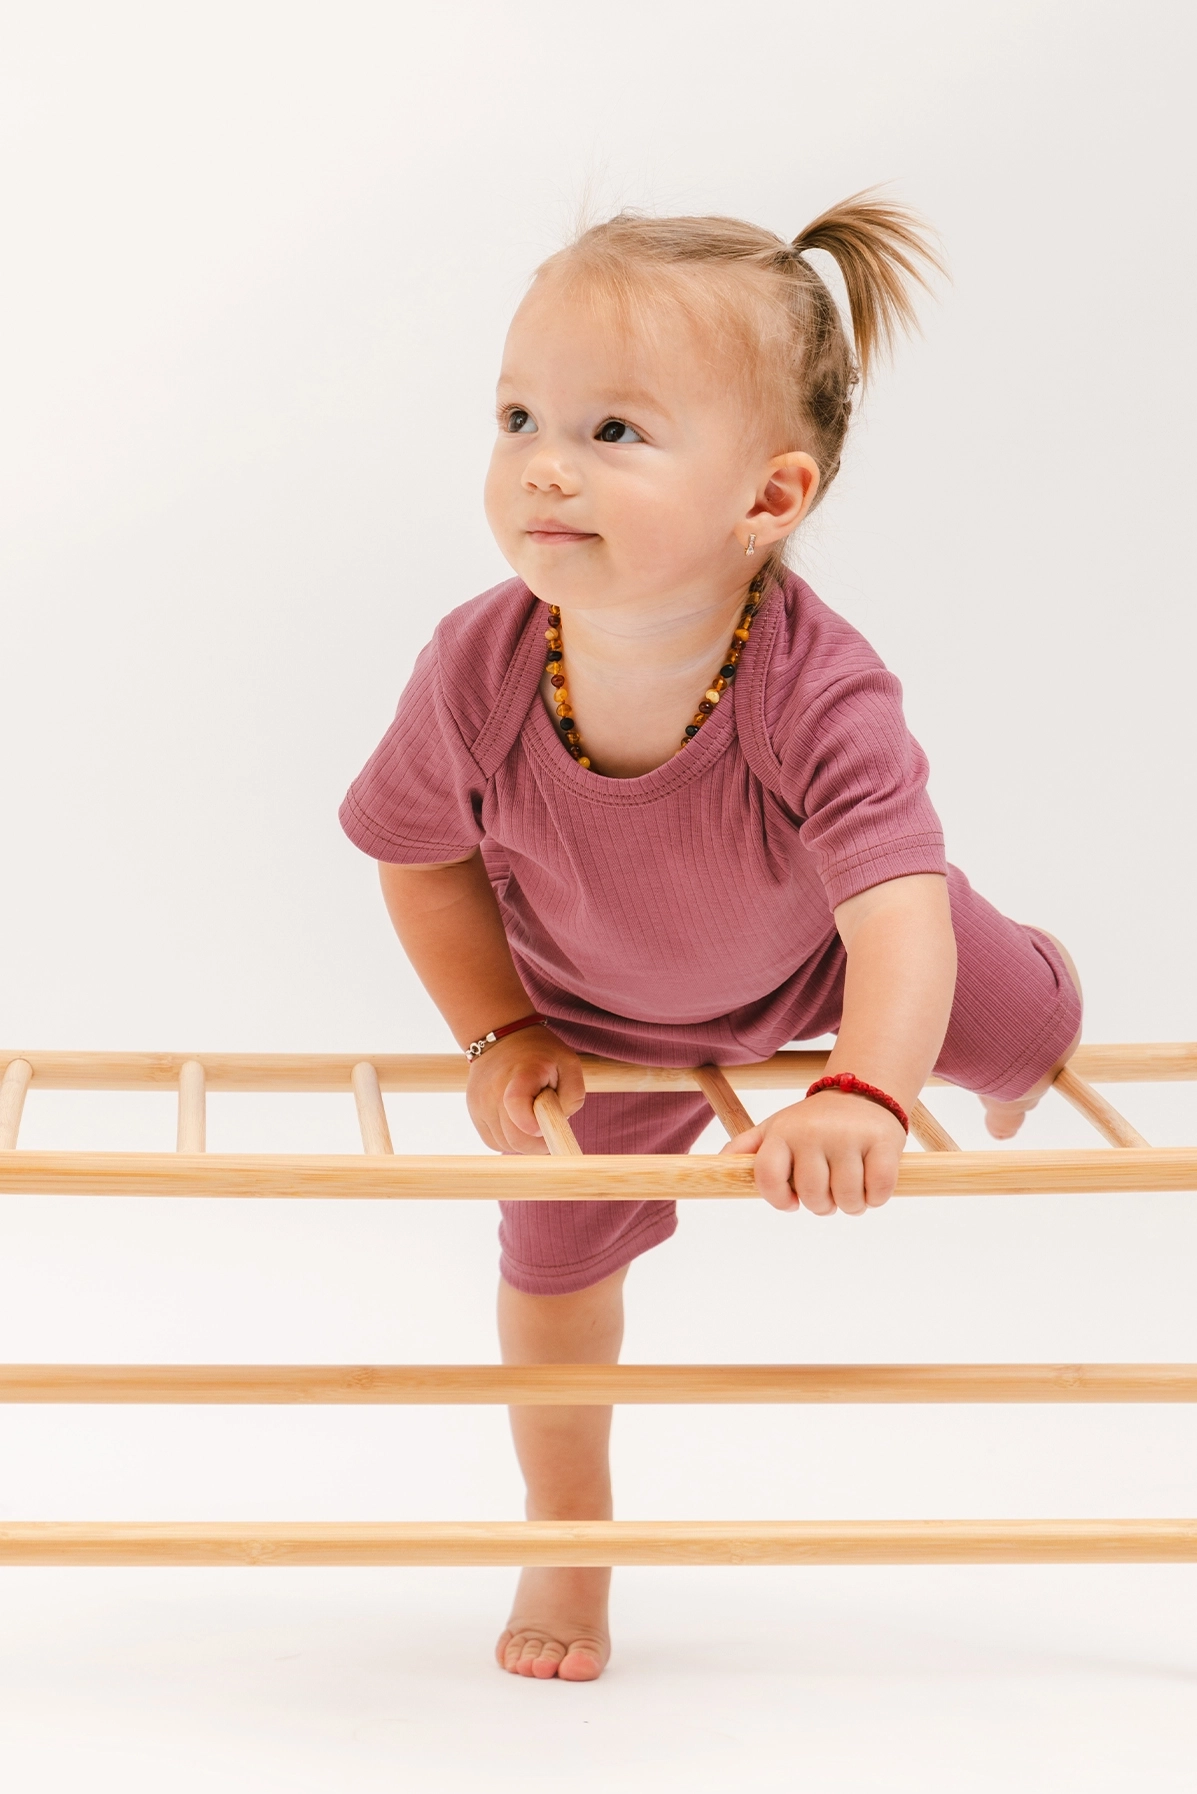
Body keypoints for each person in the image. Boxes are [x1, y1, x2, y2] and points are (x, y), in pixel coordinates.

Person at [339, 193, 1082, 1681]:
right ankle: (568, 1533)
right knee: (549, 1268)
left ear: (770, 497)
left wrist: (866, 1088)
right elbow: (419, 858)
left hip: (841, 957)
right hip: (596, 1015)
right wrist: (502, 1030)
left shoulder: (819, 689)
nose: (544, 462)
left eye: (613, 431)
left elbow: (894, 915)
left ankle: (1030, 1016)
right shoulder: (477, 666)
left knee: (1031, 1040)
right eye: (518, 416)